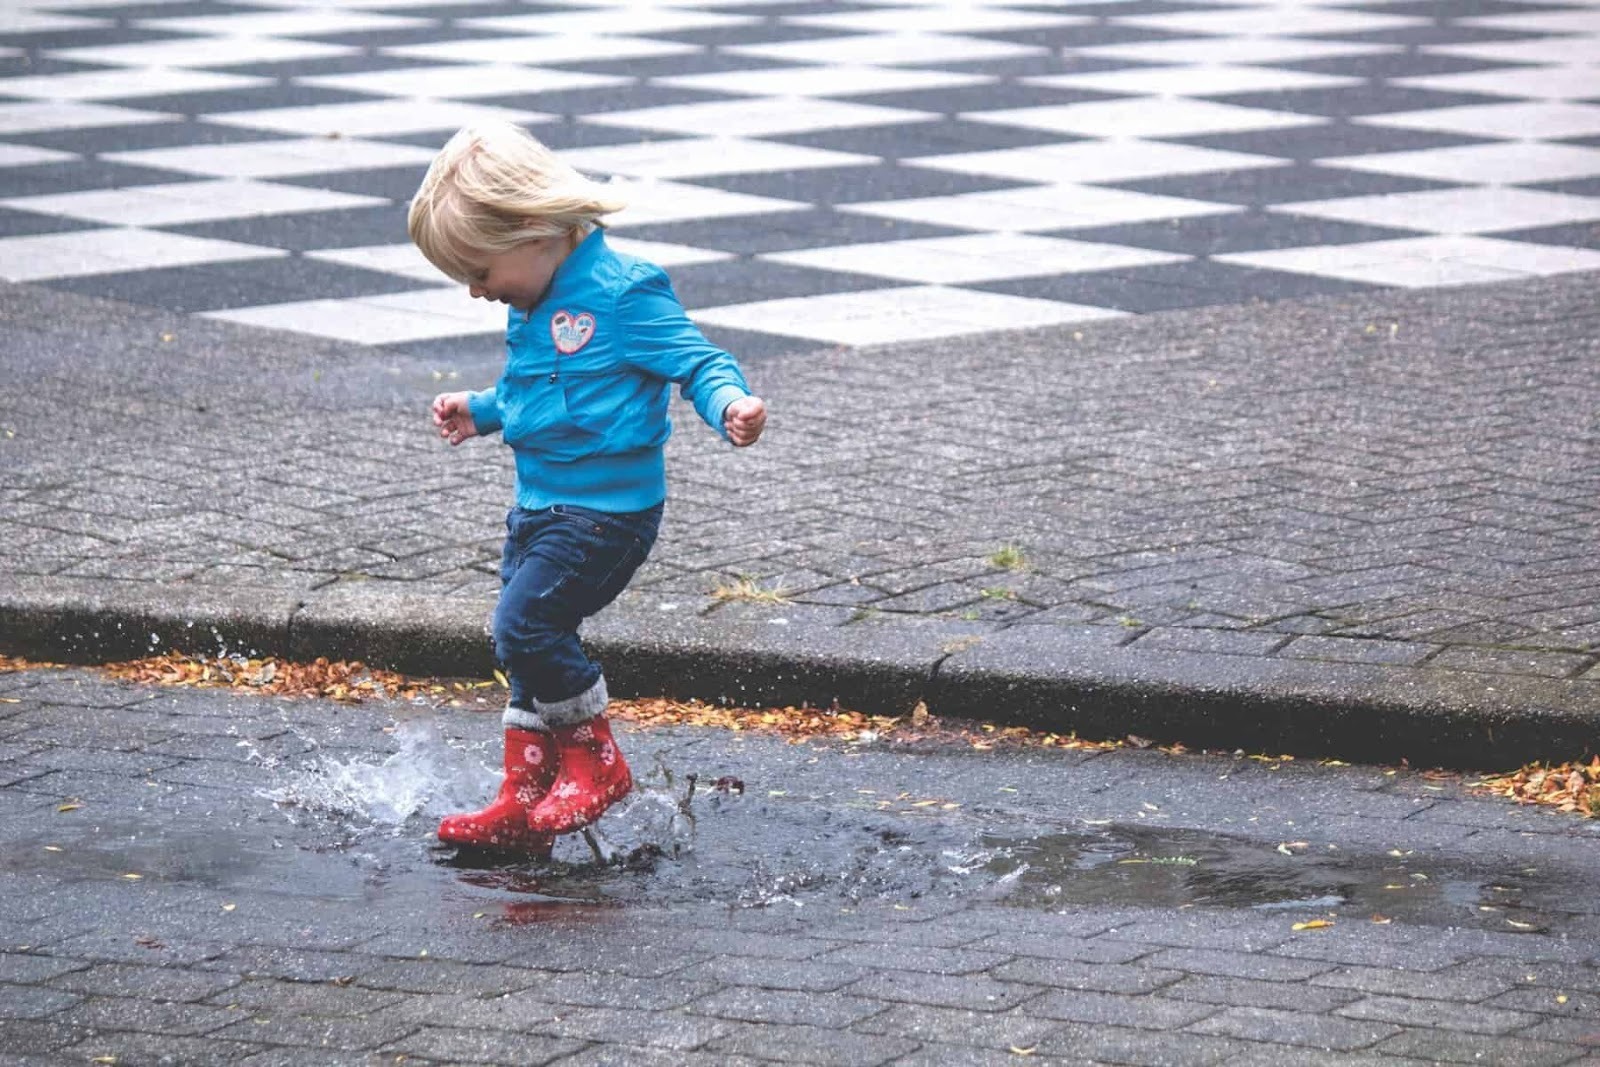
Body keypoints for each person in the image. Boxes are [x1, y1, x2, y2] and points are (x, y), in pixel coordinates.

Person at [407, 121, 767, 855]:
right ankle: (526, 791)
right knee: (526, 645)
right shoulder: (531, 304)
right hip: (537, 506)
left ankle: (597, 763)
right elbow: (534, 391)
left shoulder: (623, 291)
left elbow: (698, 360)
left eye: (479, 271)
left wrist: (730, 402)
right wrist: (480, 410)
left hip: (608, 515)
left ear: (534, 231)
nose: (477, 291)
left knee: (524, 625)